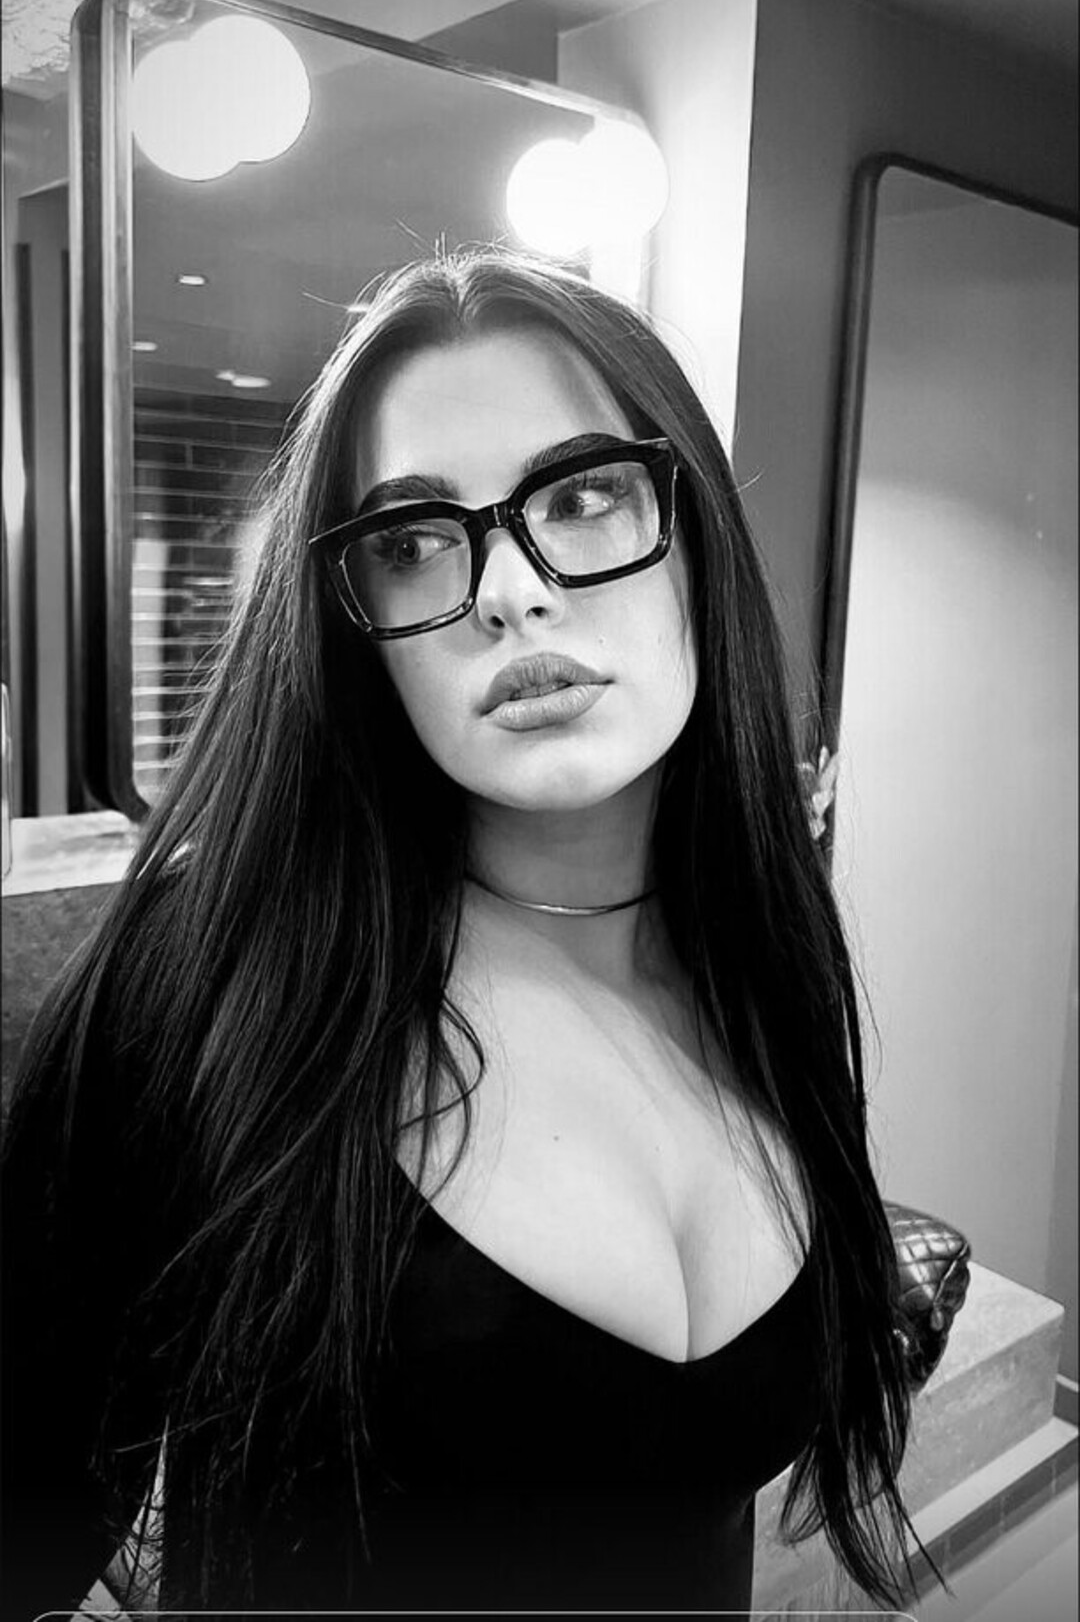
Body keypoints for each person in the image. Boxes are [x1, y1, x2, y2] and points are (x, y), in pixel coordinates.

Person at [1, 249, 942, 1618]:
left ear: (696, 537)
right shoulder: (214, 978)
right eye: (412, 541)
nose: (510, 588)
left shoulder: (763, 962)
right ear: (361, 630)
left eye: (584, 494)